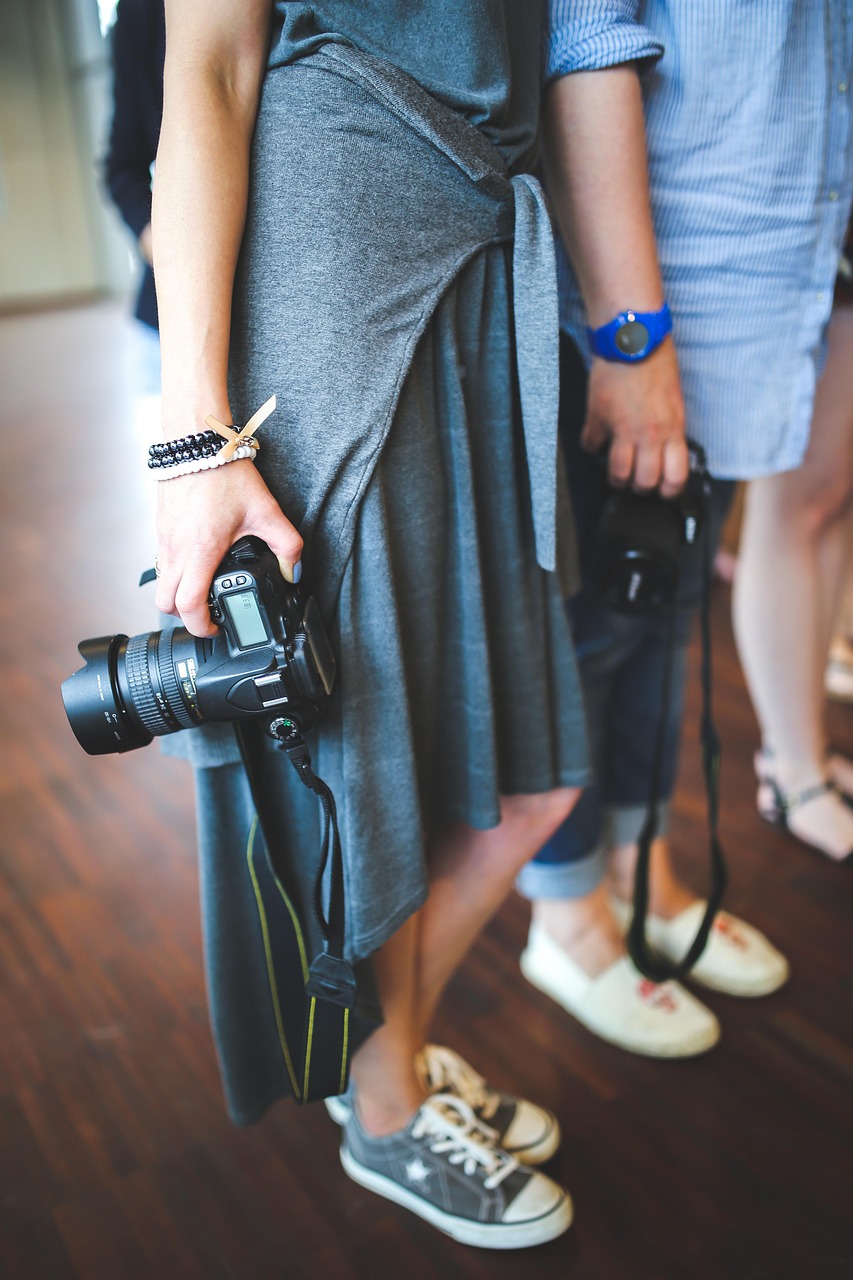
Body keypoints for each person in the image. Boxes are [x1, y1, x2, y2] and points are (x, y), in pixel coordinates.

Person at [150, 0, 591, 1250]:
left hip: (485, 255)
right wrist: (192, 434)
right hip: (338, 243)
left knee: (521, 776)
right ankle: (385, 1102)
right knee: (366, 756)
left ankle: (378, 1056)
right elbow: (213, 65)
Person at [517, 0, 853, 1056]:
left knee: (655, 607)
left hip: (753, 271)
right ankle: (564, 914)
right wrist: (632, 336)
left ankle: (642, 866)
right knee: (587, 625)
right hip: (645, 274)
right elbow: (585, 38)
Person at [734, 261, 853, 861]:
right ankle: (793, 777)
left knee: (832, 497)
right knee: (793, 502)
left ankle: (807, 754)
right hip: (812, 257)